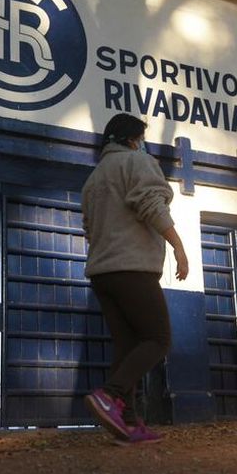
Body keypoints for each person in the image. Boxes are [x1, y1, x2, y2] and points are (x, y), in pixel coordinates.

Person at [80, 113, 188, 445]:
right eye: (141, 138)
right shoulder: (136, 163)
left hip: (102, 274)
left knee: (127, 348)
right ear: (131, 139)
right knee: (158, 339)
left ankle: (126, 422)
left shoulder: (93, 179)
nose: (142, 144)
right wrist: (179, 246)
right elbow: (150, 204)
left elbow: (89, 227)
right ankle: (110, 396)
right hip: (133, 269)